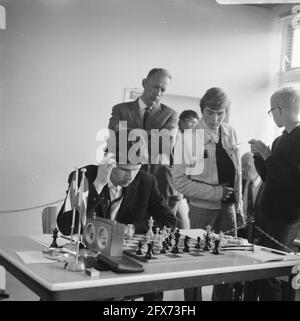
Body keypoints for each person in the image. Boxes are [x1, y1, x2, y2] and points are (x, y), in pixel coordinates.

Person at [57, 129, 176, 301]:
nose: (130, 176)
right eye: (123, 169)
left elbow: (169, 221)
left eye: (136, 168)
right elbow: (66, 226)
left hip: (126, 260)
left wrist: (134, 228)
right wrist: (98, 184)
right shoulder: (84, 176)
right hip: (88, 260)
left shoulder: (146, 181)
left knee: (155, 280)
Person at [173, 87, 243, 301]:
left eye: (220, 113)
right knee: (195, 264)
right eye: (210, 112)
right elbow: (179, 181)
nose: (215, 118)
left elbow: (237, 173)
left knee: (229, 263)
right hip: (203, 208)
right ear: (202, 110)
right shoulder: (188, 138)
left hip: (229, 207)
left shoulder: (231, 131)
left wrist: (238, 204)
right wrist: (216, 193)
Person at [249, 86, 300, 301]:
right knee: (261, 269)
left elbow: (293, 180)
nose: (272, 116)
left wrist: (269, 155)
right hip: (268, 212)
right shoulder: (280, 140)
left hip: (285, 216)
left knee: (273, 271)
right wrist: (261, 157)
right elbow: (271, 177)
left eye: (272, 111)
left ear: (280, 109)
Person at [108, 68, 178, 172]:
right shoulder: (121, 110)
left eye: (163, 90)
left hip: (155, 176)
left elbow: (165, 144)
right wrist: (154, 136)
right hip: (123, 172)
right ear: (144, 83)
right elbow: (116, 135)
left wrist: (129, 136)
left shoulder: (170, 114)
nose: (158, 93)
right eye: (155, 87)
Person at [152, 110, 199, 229]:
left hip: (177, 186)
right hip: (170, 183)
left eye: (196, 124)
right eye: (192, 123)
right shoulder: (176, 135)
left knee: (182, 223)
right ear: (181, 122)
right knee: (171, 219)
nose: (194, 127)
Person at [233, 152, 264, 301]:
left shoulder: (266, 185)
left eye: (247, 166)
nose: (243, 169)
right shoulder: (243, 183)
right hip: (246, 228)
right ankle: (238, 292)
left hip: (262, 232)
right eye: (242, 165)